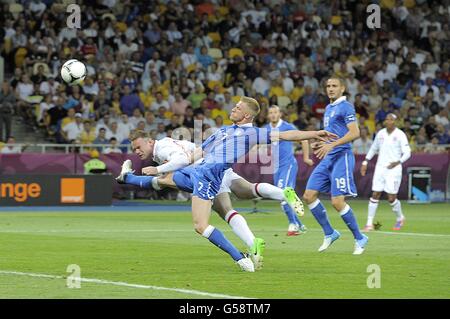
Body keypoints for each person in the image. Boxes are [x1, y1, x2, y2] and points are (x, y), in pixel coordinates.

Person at [276, 77, 369, 255]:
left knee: (337, 202)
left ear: (342, 88)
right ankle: (330, 233)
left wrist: (332, 145)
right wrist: (320, 143)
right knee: (309, 195)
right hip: (328, 156)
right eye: (328, 86)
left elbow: (355, 133)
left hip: (341, 156)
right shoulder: (328, 108)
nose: (330, 89)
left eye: (334, 86)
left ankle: (359, 238)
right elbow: (331, 135)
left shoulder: (346, 106)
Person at [264, 105, 313, 236]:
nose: (273, 114)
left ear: (280, 114)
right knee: (282, 197)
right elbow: (257, 141)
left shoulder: (287, 127)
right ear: (268, 115)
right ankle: (300, 225)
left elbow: (303, 139)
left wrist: (306, 157)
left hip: (288, 165)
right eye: (271, 112)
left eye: (275, 112)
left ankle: (293, 225)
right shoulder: (266, 129)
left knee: (284, 194)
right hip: (276, 168)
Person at [360, 113, 411, 231]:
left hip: (394, 170)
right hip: (380, 169)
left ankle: (400, 218)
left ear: (395, 122)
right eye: (386, 119)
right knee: (375, 194)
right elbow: (373, 148)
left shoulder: (400, 135)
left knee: (391, 197)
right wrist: (365, 162)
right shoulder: (381, 133)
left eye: (391, 119)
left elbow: (407, 152)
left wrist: (398, 162)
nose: (388, 121)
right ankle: (369, 224)